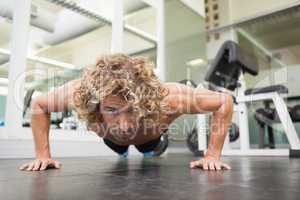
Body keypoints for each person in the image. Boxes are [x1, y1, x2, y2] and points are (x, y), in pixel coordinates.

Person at [19, 54, 233, 171]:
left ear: (146, 101)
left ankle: (151, 146)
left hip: (152, 138)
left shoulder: (168, 97)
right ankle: (123, 150)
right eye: (111, 110)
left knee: (150, 152)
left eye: (133, 110)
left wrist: (212, 155)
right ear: (96, 104)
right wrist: (43, 155)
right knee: (120, 152)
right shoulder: (80, 93)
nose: (124, 124)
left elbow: (224, 101)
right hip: (112, 142)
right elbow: (39, 105)